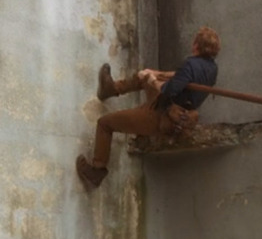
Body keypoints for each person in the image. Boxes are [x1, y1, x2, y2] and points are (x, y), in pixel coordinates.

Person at [76, 26, 221, 189]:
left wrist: (152, 79)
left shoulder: (191, 64)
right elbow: (179, 77)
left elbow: (168, 89)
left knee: (104, 123)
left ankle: (97, 170)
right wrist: (153, 73)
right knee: (144, 76)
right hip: (170, 108)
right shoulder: (212, 69)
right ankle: (112, 88)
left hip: (162, 117)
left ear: (196, 45)